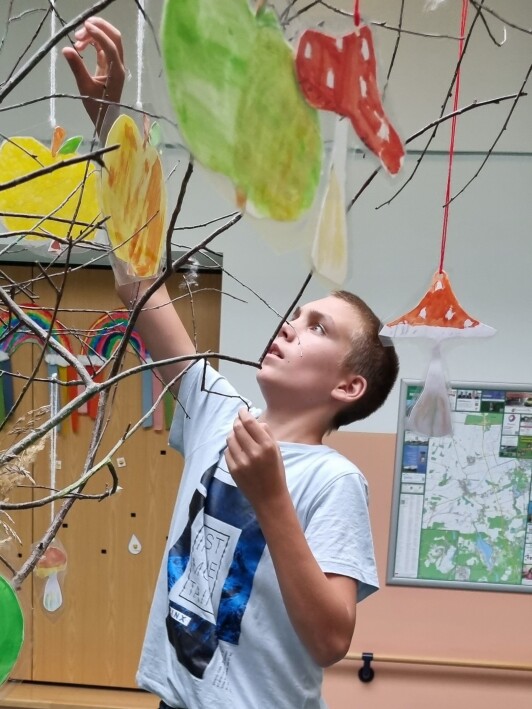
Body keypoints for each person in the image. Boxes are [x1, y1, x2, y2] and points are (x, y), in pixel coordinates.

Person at [64, 18, 399, 709]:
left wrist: (273, 497)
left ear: (348, 384)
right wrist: (111, 131)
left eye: (317, 327)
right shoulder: (221, 407)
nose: (289, 324)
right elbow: (138, 284)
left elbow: (331, 637)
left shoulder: (331, 479)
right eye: (298, 312)